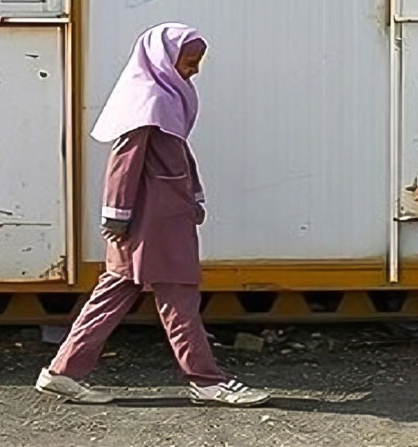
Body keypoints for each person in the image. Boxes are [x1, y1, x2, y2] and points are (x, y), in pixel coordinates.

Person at [35, 23, 270, 407]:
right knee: (180, 297)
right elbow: (123, 163)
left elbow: (175, 157)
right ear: (165, 59)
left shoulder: (160, 97)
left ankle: (62, 372)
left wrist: (192, 196)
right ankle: (206, 380)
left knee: (114, 292)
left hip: (151, 219)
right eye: (189, 62)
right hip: (154, 222)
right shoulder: (150, 101)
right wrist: (116, 213)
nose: (194, 70)